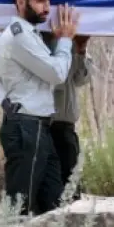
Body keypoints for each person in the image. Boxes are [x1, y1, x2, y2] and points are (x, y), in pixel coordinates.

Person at [0, 0, 79, 215]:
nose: (47, 8)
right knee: (21, 205)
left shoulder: (31, 35)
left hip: (37, 128)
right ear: (21, 2)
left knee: (52, 205)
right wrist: (65, 40)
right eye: (40, 1)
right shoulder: (19, 37)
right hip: (25, 127)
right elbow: (56, 73)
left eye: (49, 1)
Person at [41, 32, 92, 198]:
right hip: (42, 123)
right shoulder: (35, 42)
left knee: (69, 183)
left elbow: (80, 79)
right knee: (47, 186)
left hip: (64, 125)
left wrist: (81, 51)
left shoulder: (70, 44)